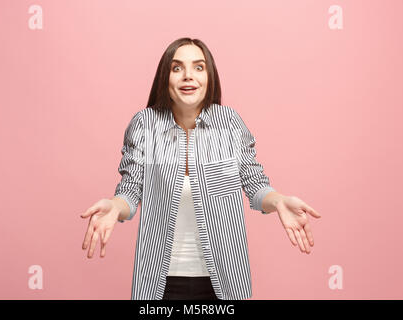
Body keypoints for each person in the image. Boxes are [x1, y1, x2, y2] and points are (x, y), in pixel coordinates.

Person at [80, 37, 322, 300]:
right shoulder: (145, 124)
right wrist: (115, 207)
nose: (188, 76)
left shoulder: (229, 122)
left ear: (209, 77)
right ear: (165, 77)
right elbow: (131, 190)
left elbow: (254, 183)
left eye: (198, 67)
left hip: (225, 279)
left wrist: (280, 201)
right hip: (160, 282)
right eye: (177, 68)